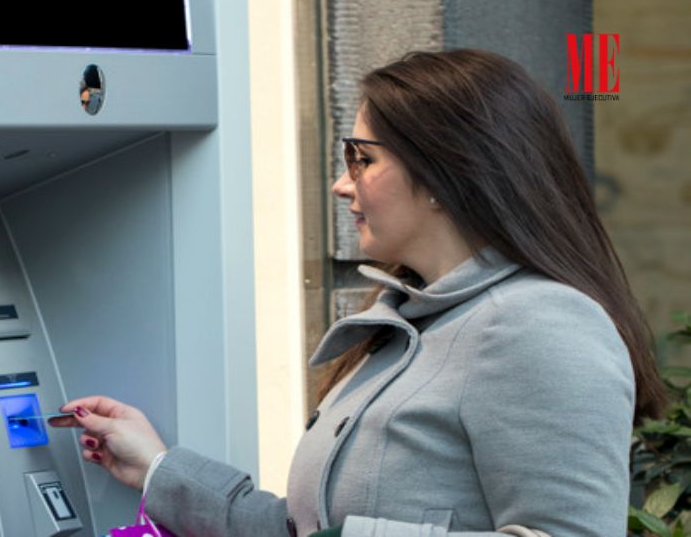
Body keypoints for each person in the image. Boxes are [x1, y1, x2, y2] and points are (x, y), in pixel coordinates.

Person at [49, 49, 668, 536]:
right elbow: (301, 530)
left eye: (361, 159)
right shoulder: (411, 324)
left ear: (444, 173)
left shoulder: (540, 325)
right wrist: (157, 467)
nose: (342, 185)